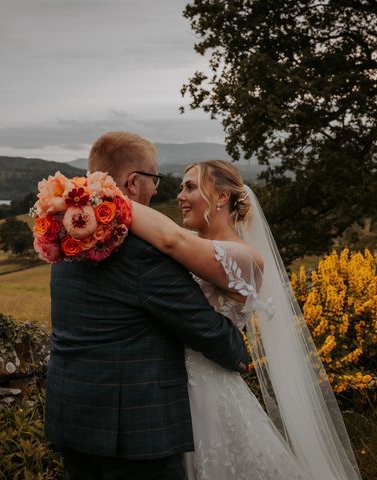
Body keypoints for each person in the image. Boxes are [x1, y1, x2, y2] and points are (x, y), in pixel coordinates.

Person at [129, 160, 363, 480]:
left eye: (190, 187)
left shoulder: (243, 257)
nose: (180, 196)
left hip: (208, 392)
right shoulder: (192, 242)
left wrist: (104, 198)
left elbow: (171, 241)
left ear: (222, 197)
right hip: (170, 389)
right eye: (182, 187)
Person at [44, 133, 251, 480]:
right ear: (134, 182)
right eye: (154, 180)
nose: (158, 190)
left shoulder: (65, 240)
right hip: (134, 434)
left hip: (71, 417)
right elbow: (206, 329)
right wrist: (240, 356)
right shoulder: (142, 254)